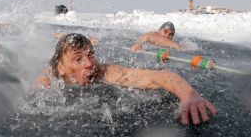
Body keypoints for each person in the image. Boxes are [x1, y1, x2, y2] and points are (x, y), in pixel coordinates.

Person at [37, 33, 217, 125]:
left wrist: (188, 95)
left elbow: (159, 77)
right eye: (78, 59)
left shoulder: (105, 72)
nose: (89, 64)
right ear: (61, 68)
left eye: (91, 55)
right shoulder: (48, 79)